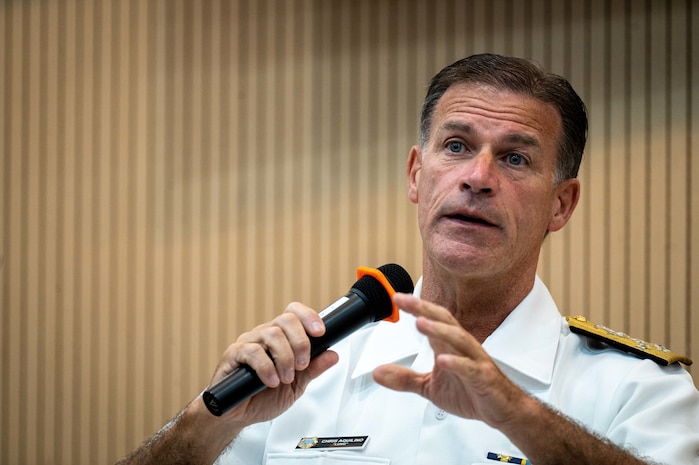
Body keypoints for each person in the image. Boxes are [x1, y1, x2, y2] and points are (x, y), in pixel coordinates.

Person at [117, 53, 699, 465]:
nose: (478, 177)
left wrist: (519, 414)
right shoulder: (311, 372)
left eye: (516, 159)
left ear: (562, 204)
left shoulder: (636, 388)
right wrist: (208, 421)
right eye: (457, 146)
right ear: (418, 176)